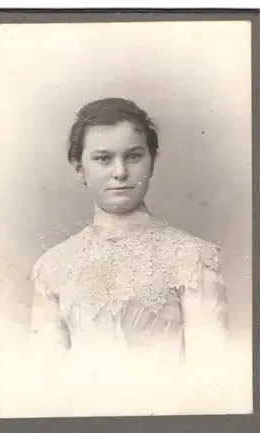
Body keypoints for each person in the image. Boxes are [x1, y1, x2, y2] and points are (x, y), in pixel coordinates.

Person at [29, 97, 230, 416]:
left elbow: (212, 378)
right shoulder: (53, 267)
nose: (120, 172)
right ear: (80, 168)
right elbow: (44, 382)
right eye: (103, 159)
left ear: (151, 161)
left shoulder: (191, 258)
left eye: (133, 156)